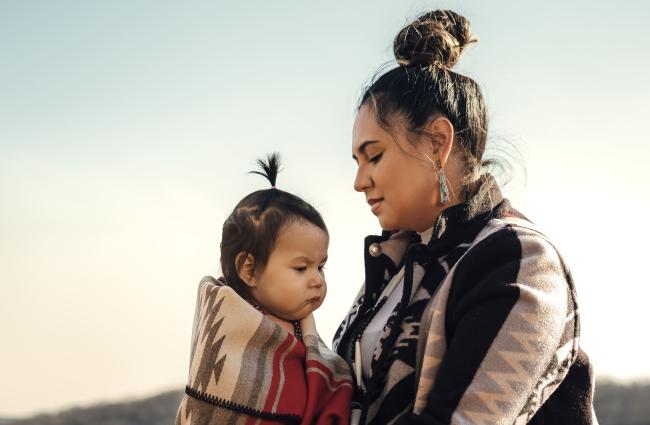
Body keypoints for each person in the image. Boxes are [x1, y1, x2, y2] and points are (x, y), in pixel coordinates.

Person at [332, 10, 598, 425]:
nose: (359, 181)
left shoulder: (520, 261)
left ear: (438, 142)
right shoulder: (396, 266)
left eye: (374, 156)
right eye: (356, 161)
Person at [176, 153, 353, 425]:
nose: (317, 279)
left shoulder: (305, 336)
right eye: (301, 268)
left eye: (321, 267)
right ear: (249, 269)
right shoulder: (230, 334)